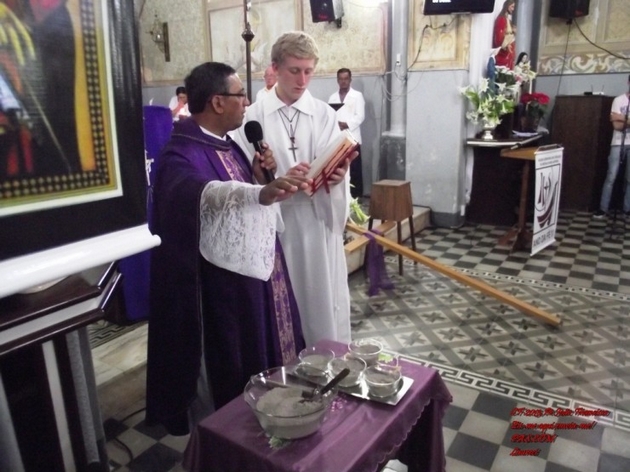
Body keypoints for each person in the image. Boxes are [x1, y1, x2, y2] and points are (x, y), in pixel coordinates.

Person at [145, 62, 310, 435]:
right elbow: (198, 192)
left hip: (252, 279)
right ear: (218, 102)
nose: (246, 103)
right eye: (240, 95)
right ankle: (226, 439)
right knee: (230, 371)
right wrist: (257, 193)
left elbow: (243, 192)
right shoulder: (180, 152)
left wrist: (259, 176)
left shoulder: (228, 143)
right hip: (220, 292)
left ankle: (269, 418)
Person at [233, 31, 357, 347]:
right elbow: (238, 176)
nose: (302, 80)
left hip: (316, 223)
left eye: (308, 71)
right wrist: (266, 178)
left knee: (319, 305)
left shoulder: (324, 115)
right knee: (281, 311)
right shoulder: (252, 117)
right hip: (274, 228)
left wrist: (337, 174)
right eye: (294, 70)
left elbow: (334, 167)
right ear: (275, 68)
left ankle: (325, 361)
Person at [594, 75, 630, 218]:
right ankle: (603, 208)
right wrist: (621, 120)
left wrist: (622, 117)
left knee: (629, 179)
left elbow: (618, 120)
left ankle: (627, 209)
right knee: (611, 176)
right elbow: (616, 126)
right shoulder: (619, 100)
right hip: (617, 142)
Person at [328, 68, 365, 198]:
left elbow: (360, 116)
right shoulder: (332, 97)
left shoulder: (357, 96)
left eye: (346, 79)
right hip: (338, 138)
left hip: (353, 137)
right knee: (339, 167)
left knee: (354, 168)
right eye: (341, 79)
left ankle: (356, 196)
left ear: (350, 80)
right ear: (337, 80)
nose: (343, 81)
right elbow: (330, 115)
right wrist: (336, 125)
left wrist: (346, 124)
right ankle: (343, 195)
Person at [493, 0, 516, 69]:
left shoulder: (507, 19)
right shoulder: (501, 19)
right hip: (503, 52)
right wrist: (506, 45)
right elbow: (498, 37)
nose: (513, 9)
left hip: (508, 52)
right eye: (512, 7)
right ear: (507, 6)